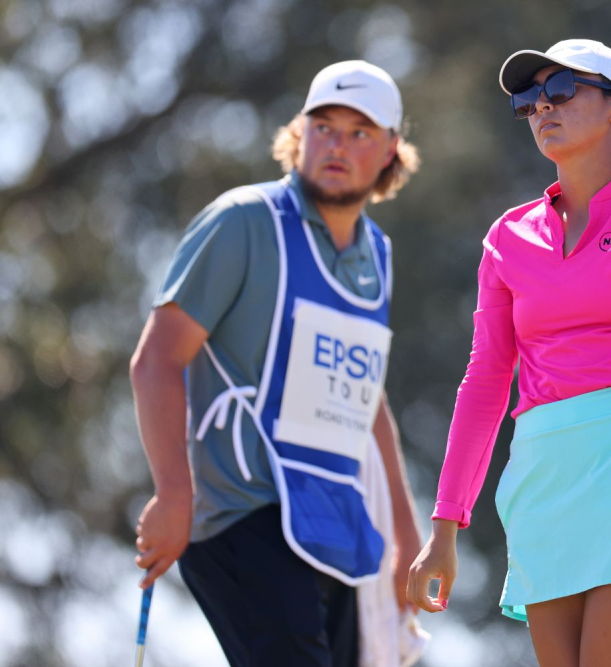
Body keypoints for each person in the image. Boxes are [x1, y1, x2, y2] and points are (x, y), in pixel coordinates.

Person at [407, 39, 611, 666]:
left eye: (561, 93)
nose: (541, 110)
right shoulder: (507, 236)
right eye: (529, 100)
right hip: (543, 470)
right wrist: (446, 525)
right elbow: (484, 381)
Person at [130, 60, 427, 667]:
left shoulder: (379, 256)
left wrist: (405, 533)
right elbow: (157, 358)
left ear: (392, 150)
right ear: (301, 133)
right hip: (243, 513)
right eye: (324, 127)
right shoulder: (243, 221)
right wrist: (172, 494)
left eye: (360, 132)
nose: (337, 145)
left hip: (334, 529)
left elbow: (367, 398)